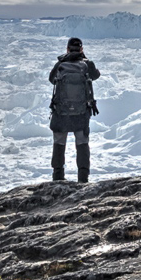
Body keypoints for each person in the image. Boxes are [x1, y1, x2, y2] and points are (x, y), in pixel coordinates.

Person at [48, 37, 100, 183]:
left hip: (61, 112)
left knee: (59, 142)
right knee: (82, 143)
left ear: (67, 49)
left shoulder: (60, 64)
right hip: (81, 112)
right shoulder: (87, 64)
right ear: (81, 49)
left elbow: (51, 80)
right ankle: (83, 178)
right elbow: (96, 75)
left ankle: (58, 176)